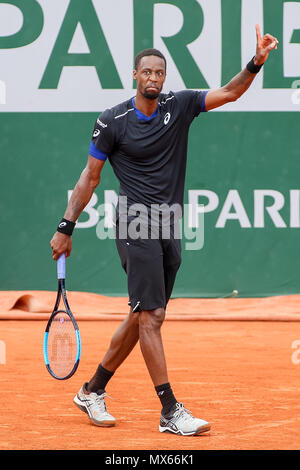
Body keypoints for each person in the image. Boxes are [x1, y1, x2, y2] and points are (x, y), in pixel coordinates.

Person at [50, 25, 278, 436]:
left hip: (168, 226)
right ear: (134, 76)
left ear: (164, 77)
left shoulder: (182, 105)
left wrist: (256, 61)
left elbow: (230, 92)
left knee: (143, 316)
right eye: (147, 72)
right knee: (151, 315)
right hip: (134, 224)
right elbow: (90, 177)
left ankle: (92, 390)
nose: (153, 78)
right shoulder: (112, 121)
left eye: (160, 72)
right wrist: (67, 225)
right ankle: (170, 410)